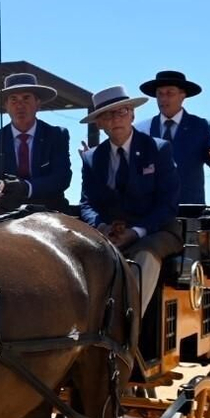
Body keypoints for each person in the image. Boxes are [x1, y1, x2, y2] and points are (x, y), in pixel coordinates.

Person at [78, 84, 180, 318]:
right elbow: (87, 203)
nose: (116, 119)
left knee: (144, 254)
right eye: (108, 114)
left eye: (122, 111)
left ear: (133, 114)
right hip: (109, 233)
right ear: (99, 123)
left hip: (156, 231)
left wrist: (136, 231)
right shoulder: (92, 159)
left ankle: (127, 327)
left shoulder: (158, 149)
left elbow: (168, 203)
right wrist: (102, 227)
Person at [0, 72, 73, 212]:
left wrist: (27, 188)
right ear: (6, 105)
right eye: (13, 99)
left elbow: (62, 178)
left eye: (26, 98)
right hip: (4, 213)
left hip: (50, 211)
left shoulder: (56, 135)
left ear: (38, 103)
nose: (20, 105)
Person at [135, 69, 210, 206]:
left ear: (182, 95)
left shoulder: (200, 126)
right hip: (151, 212)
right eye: (159, 94)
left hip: (189, 213)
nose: (163, 99)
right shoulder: (141, 129)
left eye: (169, 93)